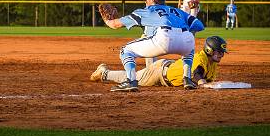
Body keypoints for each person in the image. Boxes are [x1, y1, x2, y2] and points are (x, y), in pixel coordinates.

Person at [103, 0, 204, 92]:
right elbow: (199, 25)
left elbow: (114, 24)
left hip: (164, 37)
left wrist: (106, 20)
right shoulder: (177, 11)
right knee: (189, 49)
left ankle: (131, 81)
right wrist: (182, 32)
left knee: (125, 50)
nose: (145, 1)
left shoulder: (146, 11)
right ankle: (187, 79)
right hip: (186, 38)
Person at [90, 36, 227, 88]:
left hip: (165, 70)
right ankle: (104, 73)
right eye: (219, 52)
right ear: (209, 50)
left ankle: (105, 73)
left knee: (138, 77)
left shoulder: (212, 64)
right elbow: (197, 75)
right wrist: (203, 83)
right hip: (159, 73)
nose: (221, 55)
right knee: (136, 78)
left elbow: (207, 79)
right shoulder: (200, 58)